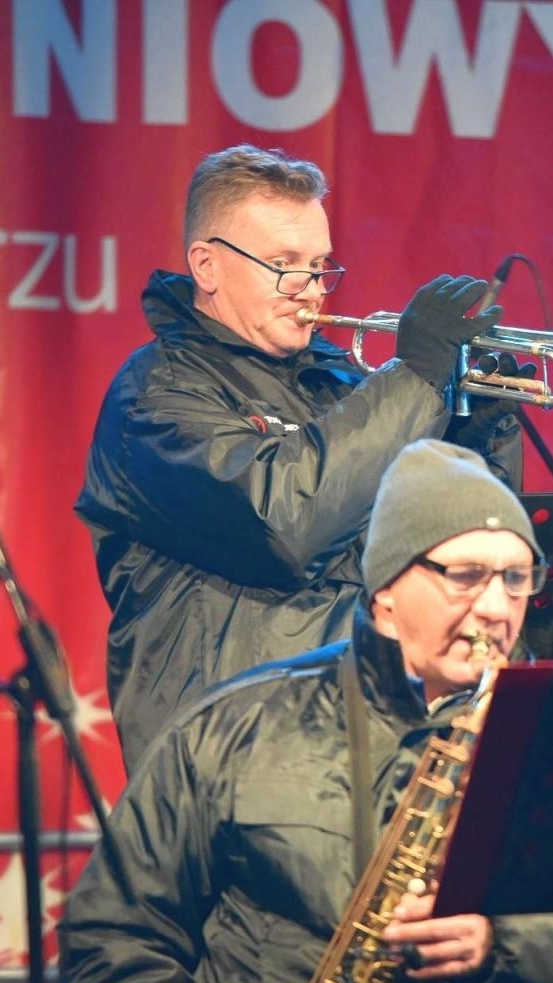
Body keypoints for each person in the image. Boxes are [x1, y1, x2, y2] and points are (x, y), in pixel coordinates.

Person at [60, 440, 553, 983]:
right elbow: (115, 939)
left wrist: (500, 944)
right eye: (464, 576)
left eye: (516, 578)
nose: (494, 607)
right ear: (385, 590)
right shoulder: (234, 726)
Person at [76, 144, 523, 770]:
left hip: (369, 732)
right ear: (206, 265)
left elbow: (453, 542)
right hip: (232, 757)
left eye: (318, 265)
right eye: (283, 264)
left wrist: (483, 434)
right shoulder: (157, 396)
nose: (308, 290)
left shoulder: (346, 382)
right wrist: (414, 376)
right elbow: (282, 522)